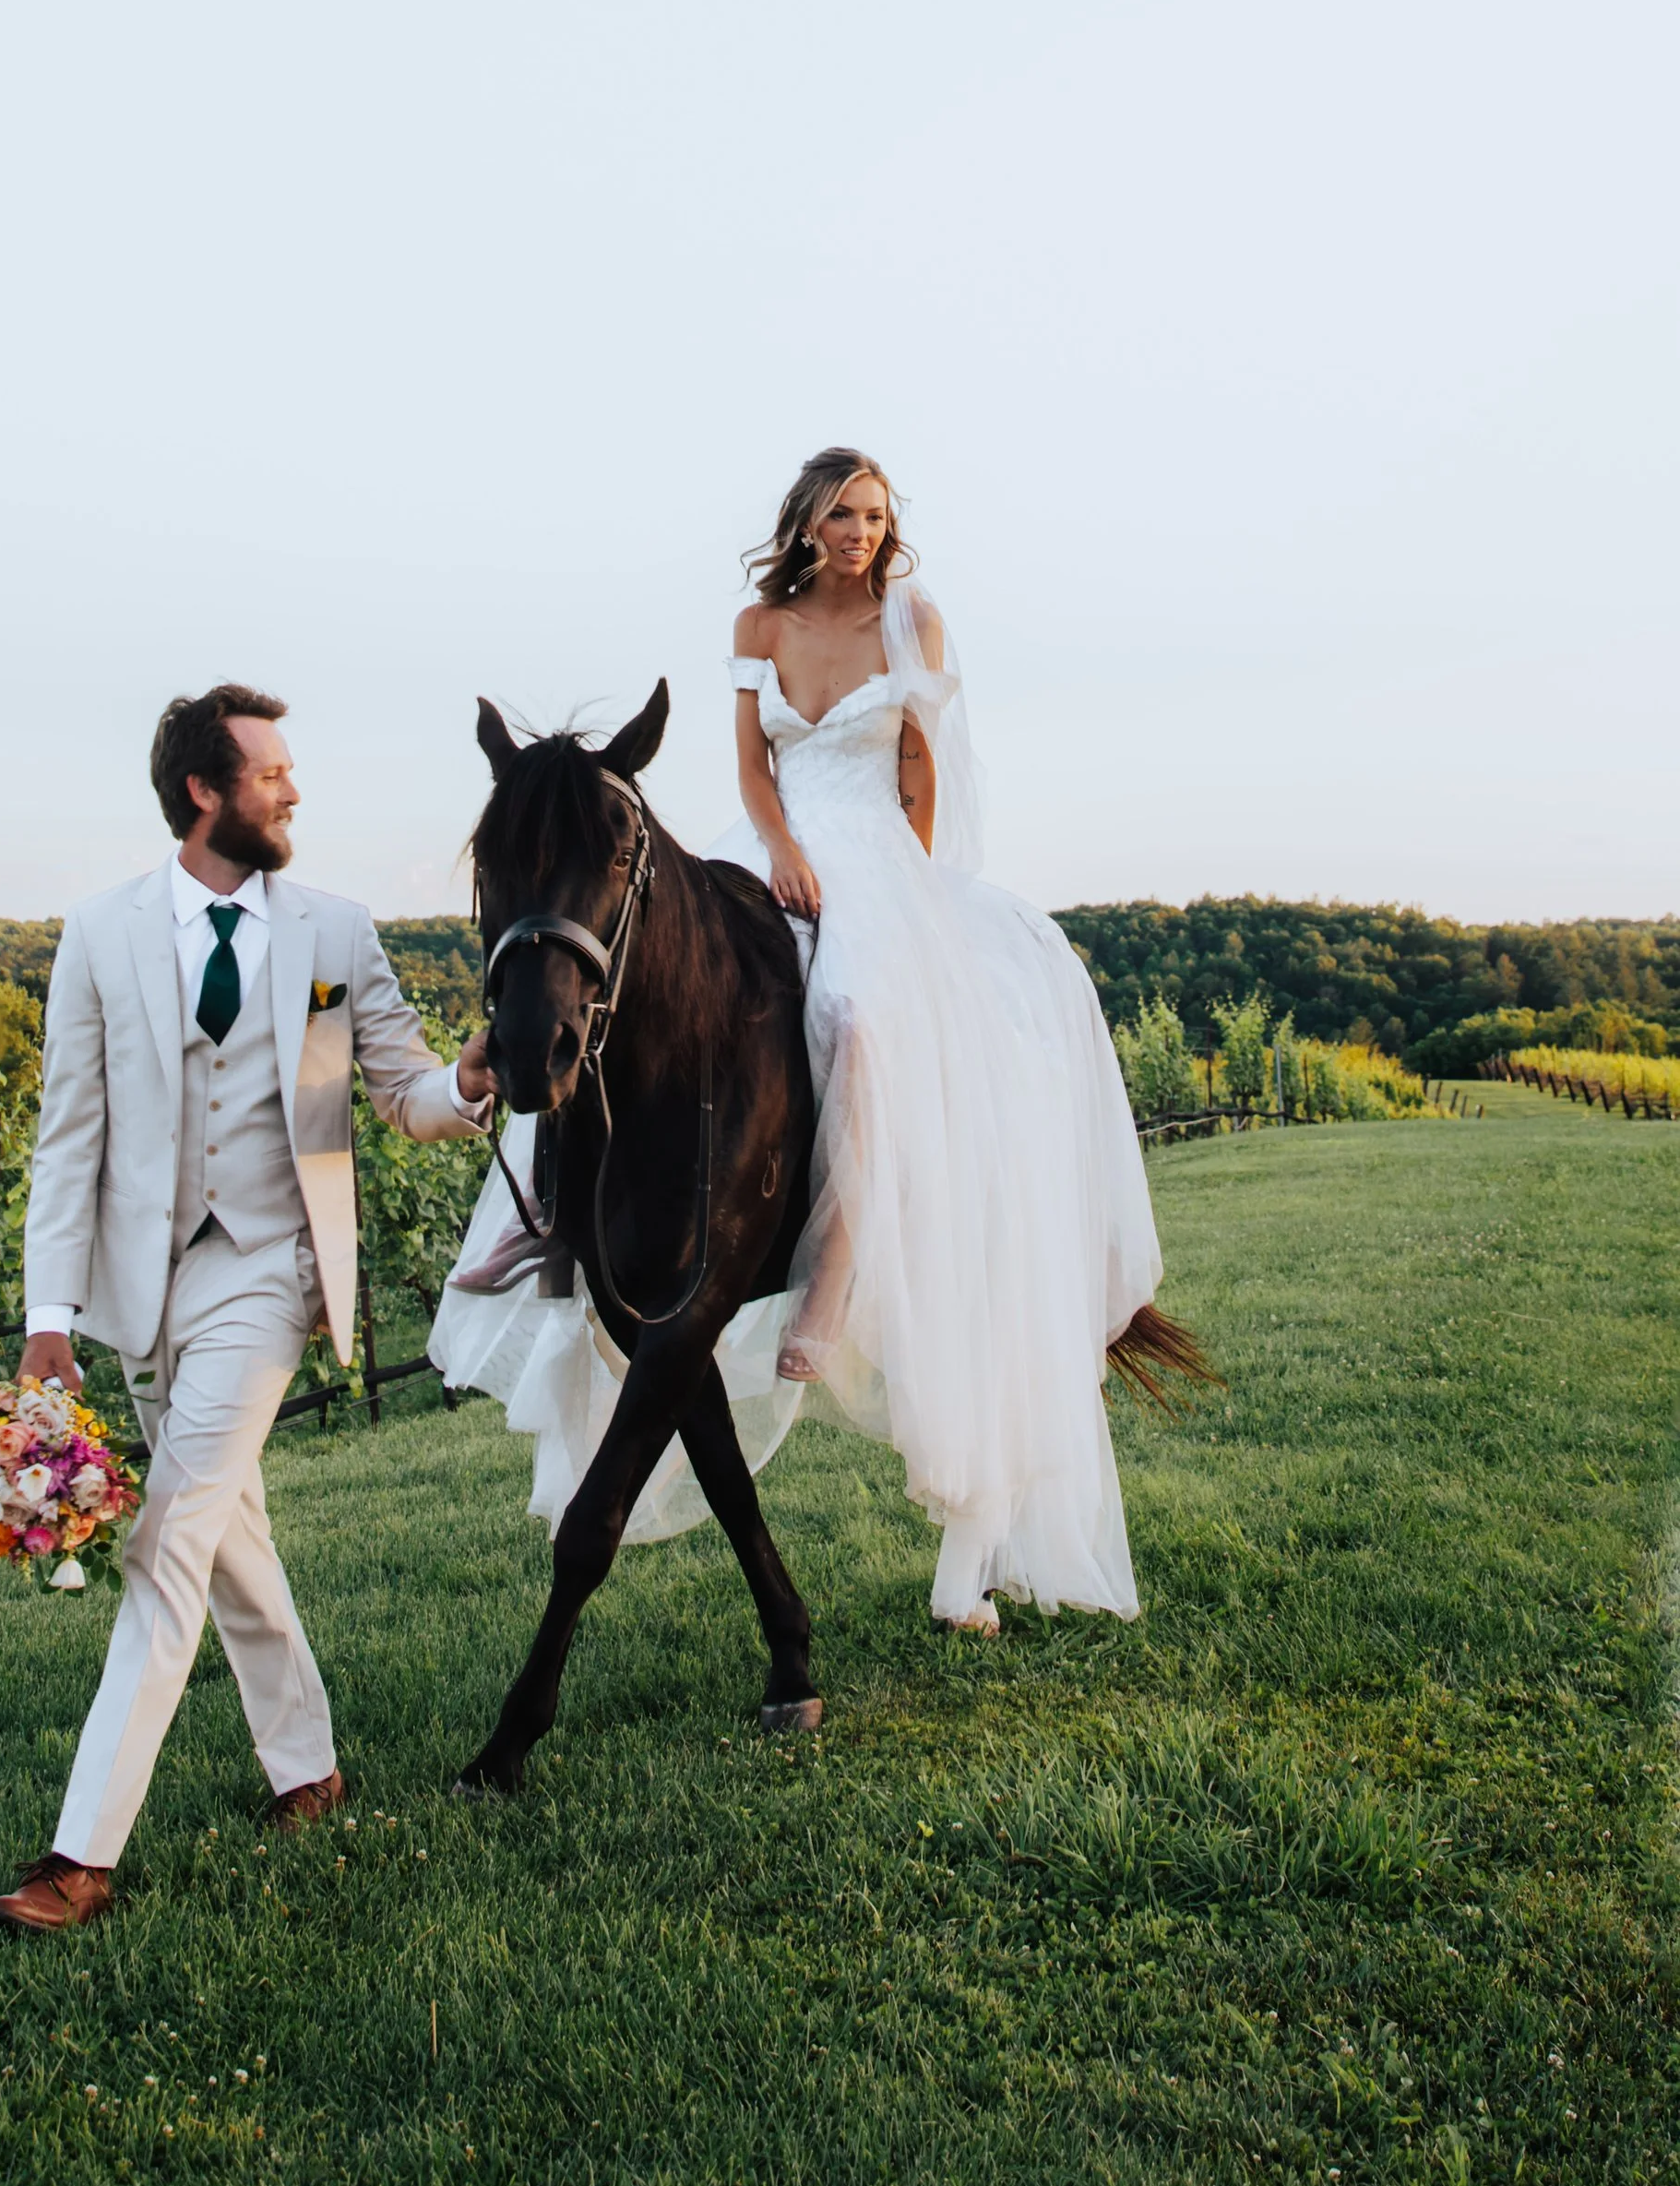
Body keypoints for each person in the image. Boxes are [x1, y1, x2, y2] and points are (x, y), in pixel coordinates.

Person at [434, 448, 1163, 1630]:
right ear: (805, 523)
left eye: (876, 515)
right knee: (639, 1000)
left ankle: (827, 1281)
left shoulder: (913, 618)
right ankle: (555, 1222)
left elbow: (922, 768)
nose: (859, 532)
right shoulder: (759, 623)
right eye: (840, 514)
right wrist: (773, 849)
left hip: (884, 858)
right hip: (774, 845)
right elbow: (749, 764)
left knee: (856, 1017)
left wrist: (907, 894)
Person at [0, 682, 494, 1934]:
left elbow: (401, 1088)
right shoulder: (100, 933)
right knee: (230, 1531)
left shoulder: (336, 932)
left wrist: (467, 1081)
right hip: (146, 1291)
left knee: (169, 1538)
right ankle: (307, 1765)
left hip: (271, 1272)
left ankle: (80, 1854)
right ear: (206, 791)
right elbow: (69, 1139)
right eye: (272, 771)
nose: (294, 789)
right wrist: (52, 1313)